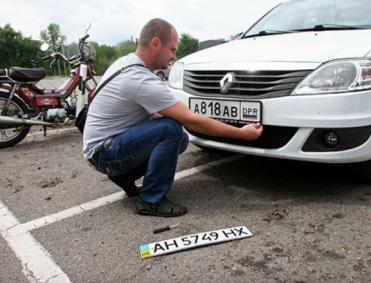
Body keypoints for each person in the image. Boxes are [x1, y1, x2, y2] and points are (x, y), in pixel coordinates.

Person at [82, 18, 263, 217]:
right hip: (104, 153)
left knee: (180, 139)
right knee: (171, 130)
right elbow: (191, 120)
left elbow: (164, 113)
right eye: (172, 50)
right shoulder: (140, 79)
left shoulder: (125, 63)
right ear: (155, 43)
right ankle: (151, 201)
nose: (173, 57)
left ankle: (125, 176)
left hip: (102, 148)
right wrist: (241, 133)